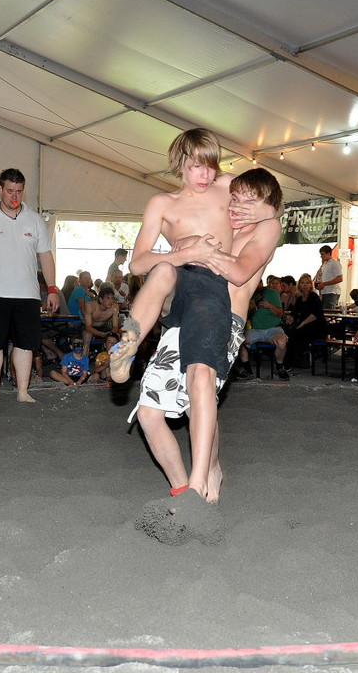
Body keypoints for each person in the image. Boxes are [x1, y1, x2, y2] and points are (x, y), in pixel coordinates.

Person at [114, 153, 281, 509]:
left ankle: (201, 482)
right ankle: (183, 488)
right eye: (235, 200)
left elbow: (239, 272)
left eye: (248, 203)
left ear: (267, 207)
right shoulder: (222, 224)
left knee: (199, 388)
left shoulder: (267, 228)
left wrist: (195, 250)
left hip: (226, 319)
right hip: (187, 311)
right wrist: (183, 249)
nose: (237, 207)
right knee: (149, 413)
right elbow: (204, 184)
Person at [0, 168, 59, 404]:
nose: (14, 196)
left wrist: (53, 288)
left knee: (26, 345)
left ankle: (23, 392)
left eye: (18, 191)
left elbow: (46, 257)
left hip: (28, 295)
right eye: (9, 191)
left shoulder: (35, 220)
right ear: (0, 189)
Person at [235, 274, 289, 380]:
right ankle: (247, 370)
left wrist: (269, 306)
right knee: (237, 340)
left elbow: (280, 313)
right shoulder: (247, 294)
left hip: (273, 328)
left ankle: (279, 367)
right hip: (256, 330)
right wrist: (250, 308)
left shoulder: (272, 293)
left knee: (281, 342)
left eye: (257, 281)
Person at [285, 273, 326, 367]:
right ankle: (291, 360)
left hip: (316, 327)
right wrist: (290, 317)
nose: (305, 285)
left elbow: (315, 315)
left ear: (311, 285)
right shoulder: (300, 299)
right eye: (302, 283)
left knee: (297, 334)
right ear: (299, 285)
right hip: (305, 326)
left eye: (307, 283)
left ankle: (301, 359)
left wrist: (301, 324)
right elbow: (294, 312)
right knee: (289, 333)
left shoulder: (313, 297)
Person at [82, 284, 119, 357]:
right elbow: (88, 327)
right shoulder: (90, 306)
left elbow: (115, 326)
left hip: (103, 327)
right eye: (108, 298)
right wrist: (101, 334)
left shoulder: (115, 307)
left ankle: (114, 360)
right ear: (101, 299)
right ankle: (84, 361)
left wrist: (111, 334)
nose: (111, 301)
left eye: (112, 298)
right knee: (87, 336)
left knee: (117, 336)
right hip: (90, 328)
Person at [313, 245, 343, 310]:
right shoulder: (325, 265)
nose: (321, 256)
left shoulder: (334, 263)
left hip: (332, 292)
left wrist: (325, 284)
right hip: (324, 292)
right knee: (323, 310)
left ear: (328, 253)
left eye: (322, 254)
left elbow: (340, 278)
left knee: (328, 310)